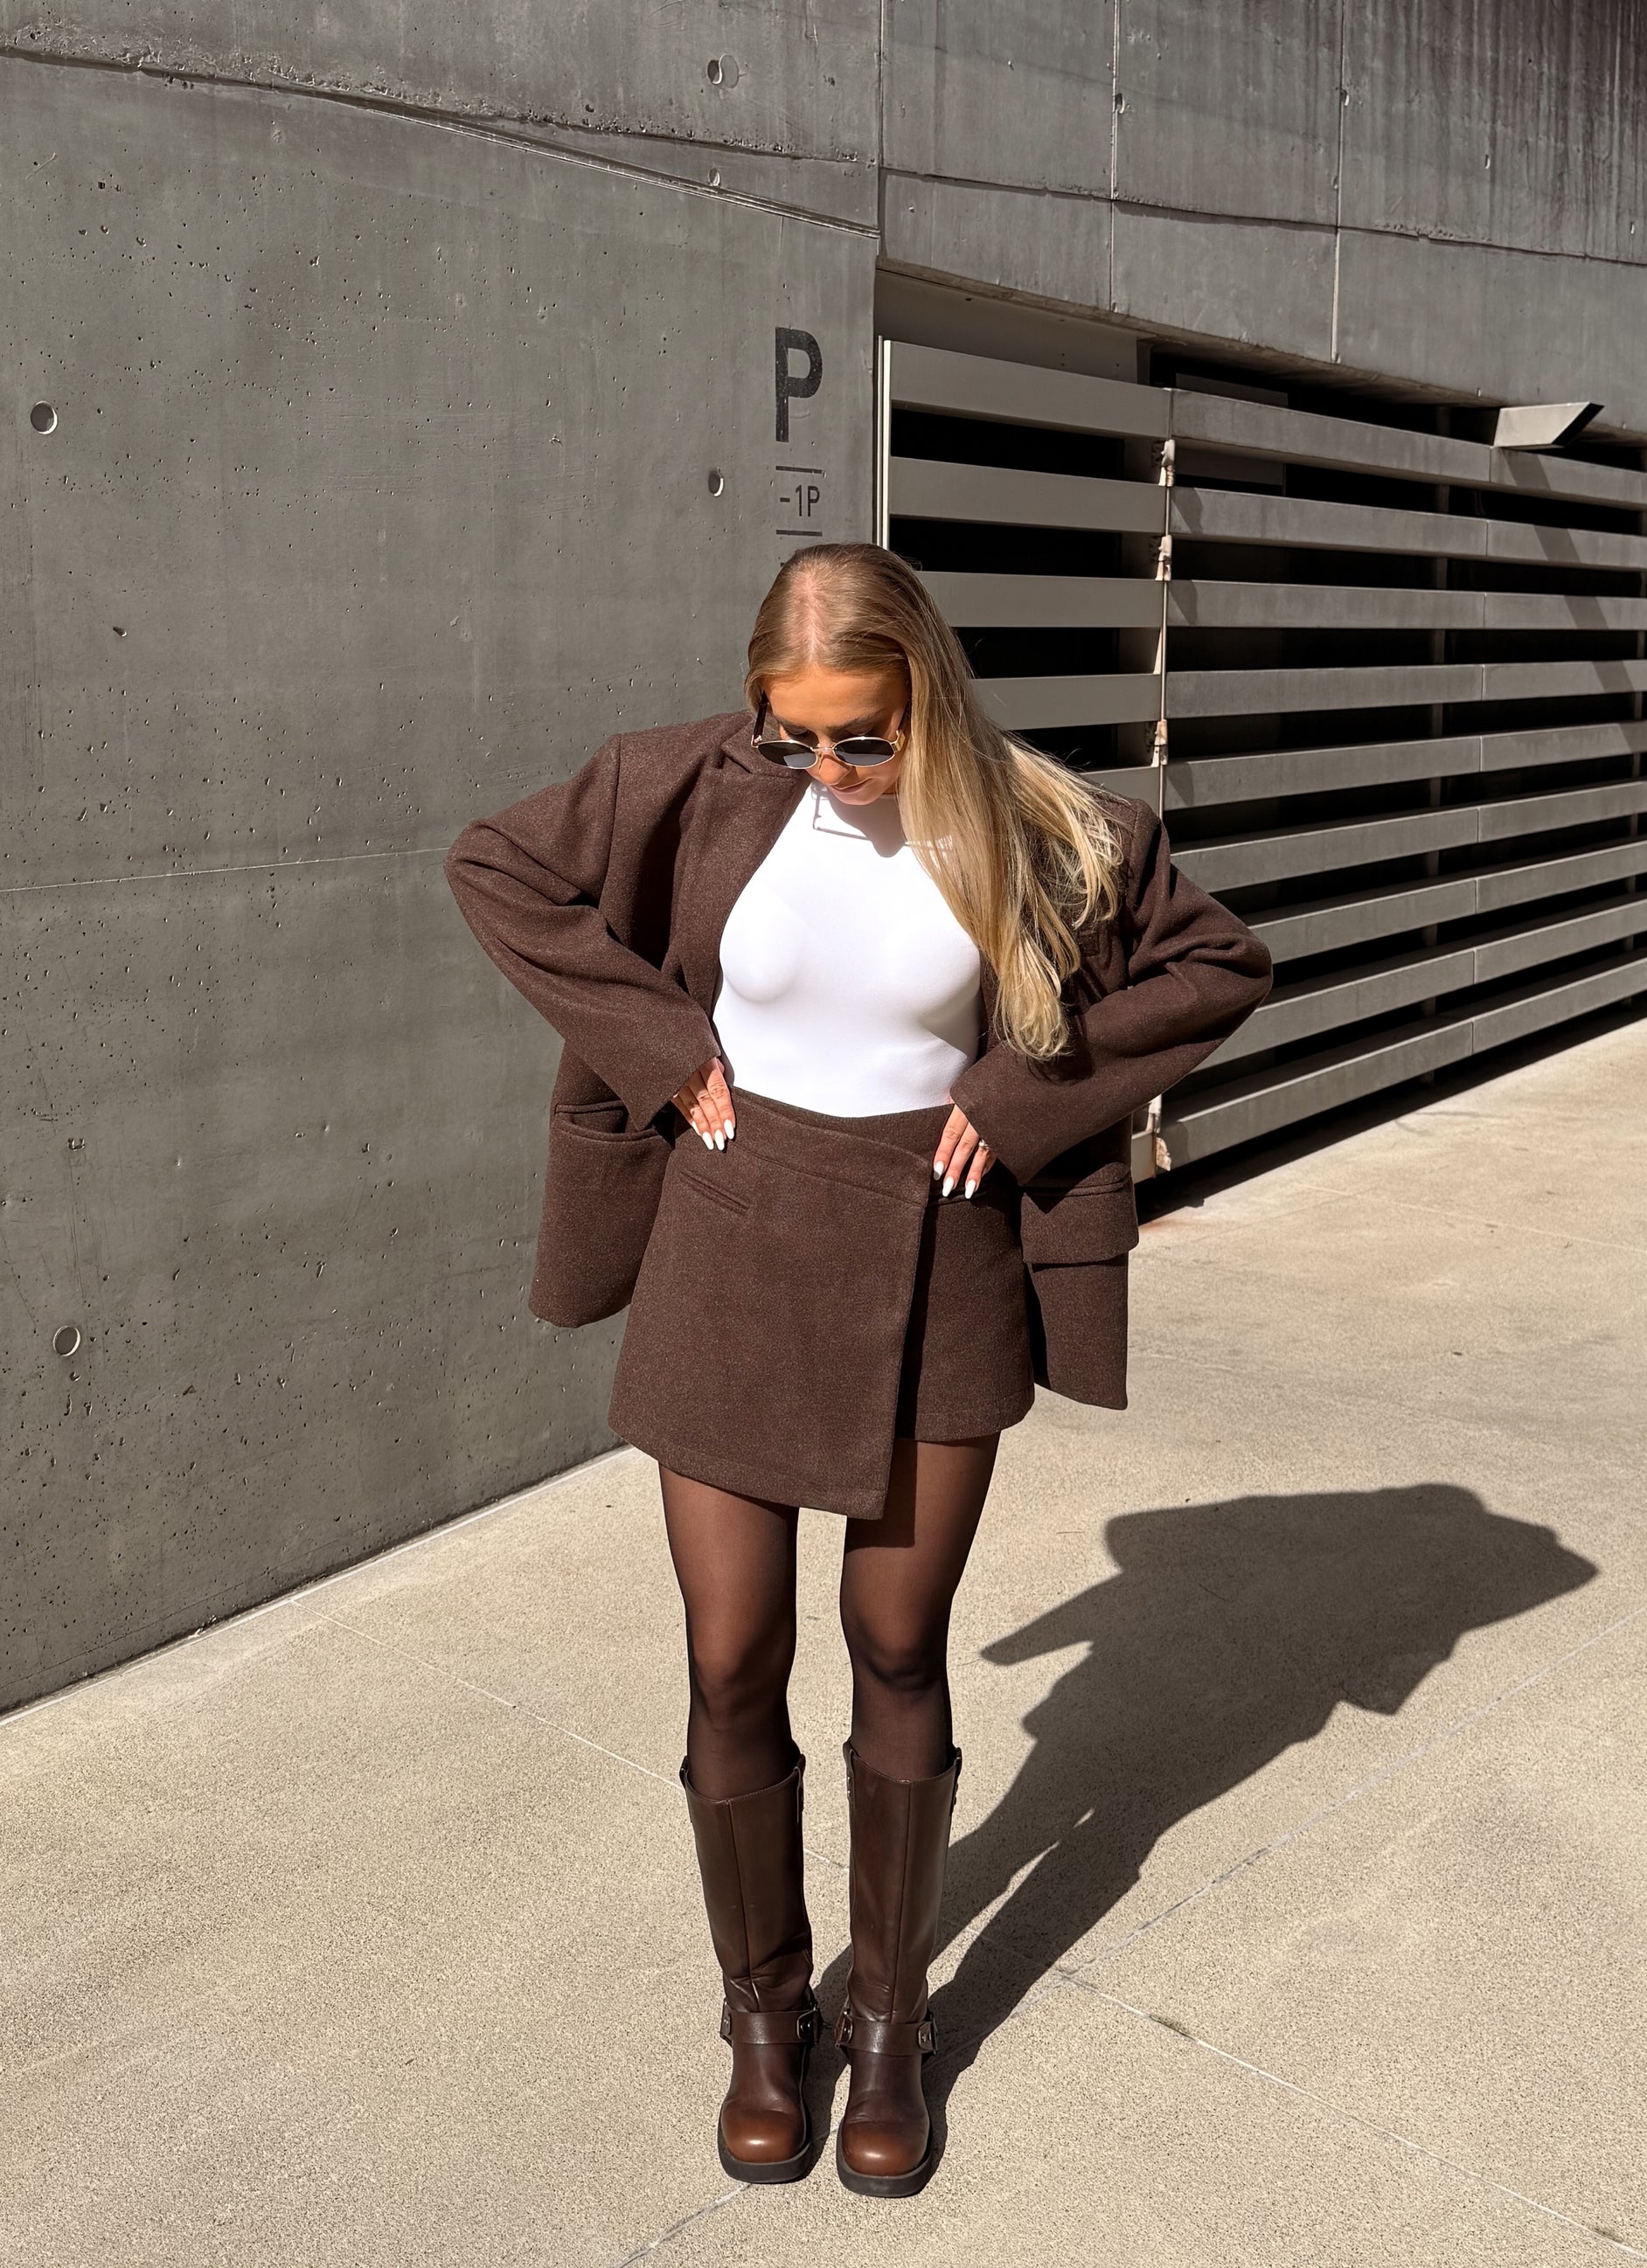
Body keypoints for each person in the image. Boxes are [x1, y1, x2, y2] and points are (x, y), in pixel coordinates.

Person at [444, 542, 1271, 2196]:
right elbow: (496, 869)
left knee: (896, 1644)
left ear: (928, 696)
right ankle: (766, 2020)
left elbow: (1218, 966)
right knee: (729, 1656)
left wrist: (1022, 1097)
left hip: (936, 1252)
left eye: (862, 737)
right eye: (794, 734)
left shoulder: (1044, 827)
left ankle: (890, 2025)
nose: (825, 768)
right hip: (730, 1246)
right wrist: (659, 1049)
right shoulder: (683, 782)